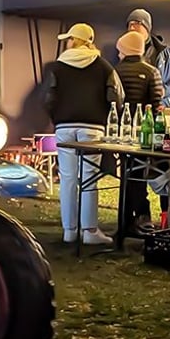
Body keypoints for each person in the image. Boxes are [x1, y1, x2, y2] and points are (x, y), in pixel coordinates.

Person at [43, 23, 124, 245]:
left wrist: (57, 119)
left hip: (64, 127)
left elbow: (49, 99)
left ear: (74, 41)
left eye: (70, 39)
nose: (68, 42)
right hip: (93, 127)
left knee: (68, 179)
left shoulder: (57, 67)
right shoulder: (104, 66)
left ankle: (69, 230)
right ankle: (90, 231)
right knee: (90, 179)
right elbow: (116, 97)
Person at [113, 30, 164, 234]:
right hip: (144, 132)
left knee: (127, 175)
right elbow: (158, 103)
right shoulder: (152, 72)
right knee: (139, 174)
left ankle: (126, 219)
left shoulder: (114, 71)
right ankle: (142, 216)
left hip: (121, 131)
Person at [126, 8, 170, 107]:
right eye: (129, 25)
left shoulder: (165, 53)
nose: (132, 28)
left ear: (147, 28)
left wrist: (164, 91)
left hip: (162, 107)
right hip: (137, 108)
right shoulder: (124, 51)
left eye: (136, 23)